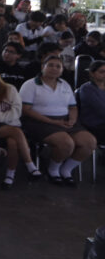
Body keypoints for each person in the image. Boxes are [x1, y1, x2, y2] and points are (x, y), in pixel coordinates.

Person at [20, 55, 97, 185]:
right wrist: (52, 122)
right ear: (42, 67)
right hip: (39, 121)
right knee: (66, 143)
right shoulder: (30, 84)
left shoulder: (64, 84)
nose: (54, 68)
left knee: (89, 142)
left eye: (58, 66)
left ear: (62, 70)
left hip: (64, 120)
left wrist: (72, 120)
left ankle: (66, 170)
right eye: (50, 65)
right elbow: (25, 110)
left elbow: (73, 107)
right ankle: (53, 170)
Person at [77, 60, 105, 143]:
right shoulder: (86, 89)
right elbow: (101, 109)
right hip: (94, 125)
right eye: (102, 72)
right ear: (92, 73)